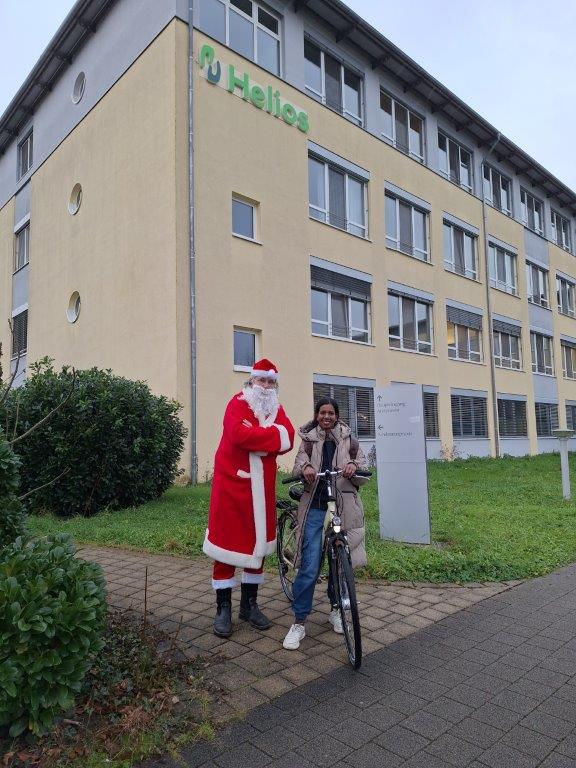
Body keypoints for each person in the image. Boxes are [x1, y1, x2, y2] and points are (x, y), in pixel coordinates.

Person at [203, 359, 294, 638]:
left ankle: (249, 605)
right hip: (232, 486)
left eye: (270, 382)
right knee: (226, 546)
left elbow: (287, 438)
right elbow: (238, 435)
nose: (265, 387)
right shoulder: (237, 404)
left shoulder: (276, 409)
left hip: (261, 490)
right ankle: (223, 608)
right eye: (261, 381)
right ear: (251, 382)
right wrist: (268, 439)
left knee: (257, 547)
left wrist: (262, 437)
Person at [282, 397, 369, 650]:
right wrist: (307, 468)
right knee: (310, 565)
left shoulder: (349, 440)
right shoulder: (308, 440)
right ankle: (298, 622)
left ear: (337, 415)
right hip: (316, 506)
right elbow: (299, 464)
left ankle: (335, 609)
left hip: (344, 506)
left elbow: (363, 467)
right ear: (317, 415)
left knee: (340, 562)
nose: (327, 417)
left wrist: (353, 465)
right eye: (322, 413)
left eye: (331, 413)